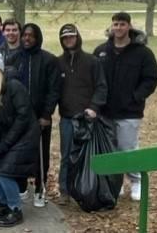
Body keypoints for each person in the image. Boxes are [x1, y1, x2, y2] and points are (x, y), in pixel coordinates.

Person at [93, 12, 157, 201]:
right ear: (111, 27)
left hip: (129, 111)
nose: (118, 28)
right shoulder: (101, 51)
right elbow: (94, 77)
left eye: (122, 24)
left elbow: (152, 77)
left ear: (129, 26)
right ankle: (117, 182)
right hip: (105, 110)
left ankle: (136, 181)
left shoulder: (142, 52)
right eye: (115, 24)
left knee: (127, 147)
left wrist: (136, 96)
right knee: (110, 148)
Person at [0, 52, 39, 227]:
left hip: (26, 136)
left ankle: (15, 209)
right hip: (8, 137)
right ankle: (4, 205)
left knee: (5, 172)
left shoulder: (13, 86)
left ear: (0, 70)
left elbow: (23, 118)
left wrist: (5, 144)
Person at [57, 23, 108, 205]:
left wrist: (94, 107)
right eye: (65, 37)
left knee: (88, 156)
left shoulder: (92, 61)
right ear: (61, 40)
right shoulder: (59, 62)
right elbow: (54, 90)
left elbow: (101, 86)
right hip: (68, 119)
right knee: (66, 156)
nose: (69, 40)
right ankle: (65, 190)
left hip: (88, 118)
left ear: (77, 37)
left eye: (72, 36)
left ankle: (88, 189)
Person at [13, 23, 61, 207]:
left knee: (41, 153)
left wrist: (46, 114)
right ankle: (22, 186)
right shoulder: (15, 58)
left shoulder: (49, 60)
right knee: (19, 152)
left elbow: (53, 89)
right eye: (24, 35)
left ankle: (40, 189)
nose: (27, 38)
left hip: (40, 116)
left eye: (31, 35)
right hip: (19, 116)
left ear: (37, 37)